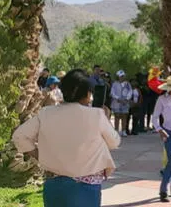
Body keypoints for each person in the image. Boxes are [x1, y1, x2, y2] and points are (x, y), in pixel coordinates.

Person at [12, 69, 120, 207]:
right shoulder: (96, 115)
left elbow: (19, 136)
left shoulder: (46, 113)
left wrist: (39, 156)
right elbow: (114, 142)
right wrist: (106, 118)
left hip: (54, 184)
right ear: (87, 93)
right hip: (85, 187)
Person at [111, 70, 133, 137]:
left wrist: (127, 99)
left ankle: (123, 131)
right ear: (118, 77)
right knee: (117, 116)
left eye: (123, 76)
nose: (122, 77)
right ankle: (116, 131)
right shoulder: (115, 84)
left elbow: (130, 91)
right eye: (120, 76)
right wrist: (117, 98)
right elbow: (112, 92)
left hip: (125, 102)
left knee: (124, 116)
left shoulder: (127, 84)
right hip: (117, 102)